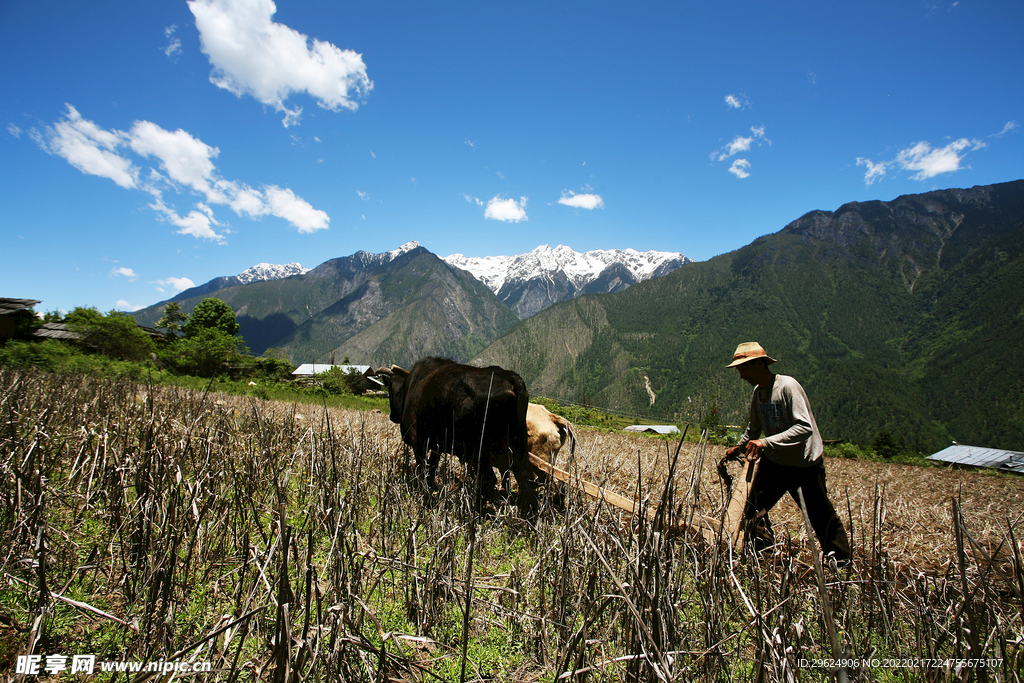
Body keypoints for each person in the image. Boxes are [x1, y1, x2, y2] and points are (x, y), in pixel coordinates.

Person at [724, 342, 852, 564]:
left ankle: (840, 558)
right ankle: (763, 551)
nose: (741, 375)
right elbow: (753, 428)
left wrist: (764, 442)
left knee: (819, 512)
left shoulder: (786, 387)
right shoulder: (759, 393)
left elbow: (804, 428)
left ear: (757, 365)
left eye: (743, 369)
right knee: (753, 507)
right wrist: (741, 447)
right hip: (776, 462)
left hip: (804, 464)